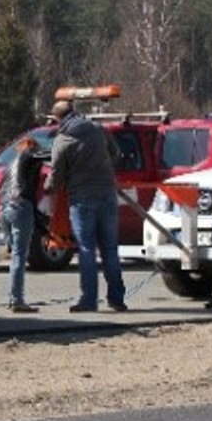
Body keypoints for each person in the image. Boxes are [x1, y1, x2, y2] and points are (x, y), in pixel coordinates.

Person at [47, 97, 128, 313]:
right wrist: (104, 170)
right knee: (110, 249)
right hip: (108, 193)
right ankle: (117, 299)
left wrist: (48, 189)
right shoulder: (98, 129)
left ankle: (89, 300)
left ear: (57, 118)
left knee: (86, 249)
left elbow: (56, 176)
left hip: (82, 197)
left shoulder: (63, 140)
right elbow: (116, 154)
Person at [0, 136, 42, 313]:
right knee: (19, 255)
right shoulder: (30, 157)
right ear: (31, 147)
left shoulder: (9, 165)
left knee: (14, 253)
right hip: (21, 206)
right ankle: (17, 299)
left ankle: (12, 298)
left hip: (4, 208)